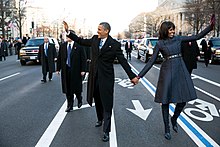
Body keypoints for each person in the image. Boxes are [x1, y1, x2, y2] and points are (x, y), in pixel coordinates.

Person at [133, 14, 215, 140]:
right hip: (167, 72)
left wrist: (210, 27)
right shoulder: (160, 44)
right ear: (165, 30)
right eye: (170, 29)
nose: (172, 31)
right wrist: (139, 76)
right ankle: (167, 128)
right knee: (165, 102)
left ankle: (174, 118)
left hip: (180, 69)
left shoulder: (178, 39)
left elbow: (196, 36)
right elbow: (151, 62)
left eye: (173, 29)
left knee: (183, 99)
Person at [63, 21, 138, 142]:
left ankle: (106, 131)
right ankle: (100, 118)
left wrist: (132, 76)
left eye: (99, 29)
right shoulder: (94, 39)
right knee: (97, 99)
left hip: (106, 78)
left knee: (107, 103)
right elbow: (81, 41)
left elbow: (123, 61)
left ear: (106, 31)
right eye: (97, 29)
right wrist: (68, 32)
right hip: (94, 77)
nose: (97, 31)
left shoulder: (114, 44)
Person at [56, 32, 87, 112]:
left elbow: (83, 58)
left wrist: (83, 69)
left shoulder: (79, 46)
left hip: (76, 70)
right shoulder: (63, 46)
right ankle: (70, 105)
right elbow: (59, 58)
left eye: (69, 36)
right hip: (66, 70)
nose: (67, 37)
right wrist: (58, 69)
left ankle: (79, 98)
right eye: (66, 36)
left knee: (76, 88)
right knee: (67, 88)